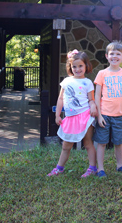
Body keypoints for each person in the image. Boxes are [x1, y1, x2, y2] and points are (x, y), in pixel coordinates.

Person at [47, 50, 98, 178]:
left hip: (85, 116)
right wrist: (57, 115)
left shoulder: (87, 83)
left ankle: (92, 168)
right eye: (74, 66)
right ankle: (59, 168)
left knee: (88, 143)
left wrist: (93, 106)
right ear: (70, 67)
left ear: (86, 66)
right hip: (70, 118)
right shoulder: (66, 81)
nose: (77, 69)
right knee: (66, 145)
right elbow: (60, 99)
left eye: (80, 66)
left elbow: (91, 99)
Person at [93, 41, 122, 177]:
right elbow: (97, 95)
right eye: (112, 54)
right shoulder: (102, 73)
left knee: (118, 142)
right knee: (102, 142)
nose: (114, 56)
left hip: (120, 115)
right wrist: (99, 115)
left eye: (118, 54)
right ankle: (100, 169)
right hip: (104, 114)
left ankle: (119, 165)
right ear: (106, 56)